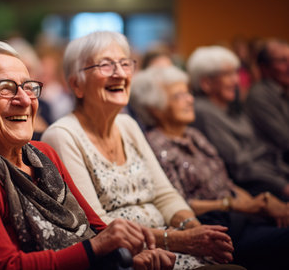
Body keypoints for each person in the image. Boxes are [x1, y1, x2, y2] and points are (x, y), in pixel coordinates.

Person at [0, 40, 176, 270]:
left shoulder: (44, 154)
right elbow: (4, 267)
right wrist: (97, 249)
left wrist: (129, 252)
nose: (25, 100)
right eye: (5, 88)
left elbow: (94, 227)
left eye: (28, 87)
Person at [41, 31, 234, 269]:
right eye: (105, 65)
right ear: (76, 84)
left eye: (125, 63)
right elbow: (97, 223)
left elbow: (166, 195)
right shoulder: (62, 135)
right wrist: (179, 240)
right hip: (132, 257)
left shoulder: (128, 125)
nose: (120, 73)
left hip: (174, 245)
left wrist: (196, 231)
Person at [130, 64, 289, 270]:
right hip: (216, 229)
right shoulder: (154, 145)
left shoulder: (194, 135)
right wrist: (237, 205)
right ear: (155, 108)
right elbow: (180, 203)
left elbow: (225, 182)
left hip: (242, 218)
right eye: (179, 96)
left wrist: (263, 203)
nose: (190, 99)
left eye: (188, 93)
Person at [186, 45, 289, 200]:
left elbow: (261, 149)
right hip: (254, 190)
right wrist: (282, 186)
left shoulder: (231, 108)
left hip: (275, 177)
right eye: (227, 74)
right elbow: (239, 166)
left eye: (235, 73)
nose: (236, 80)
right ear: (206, 83)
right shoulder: (203, 112)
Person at [245, 39, 289, 163]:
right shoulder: (259, 96)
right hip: (277, 168)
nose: (288, 66)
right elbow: (285, 141)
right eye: (282, 61)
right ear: (264, 67)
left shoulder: (284, 90)